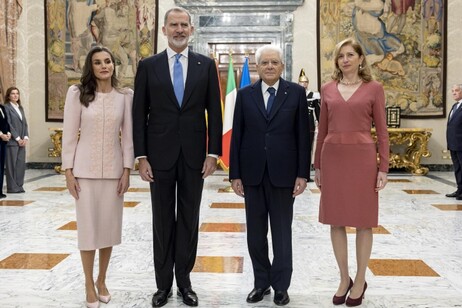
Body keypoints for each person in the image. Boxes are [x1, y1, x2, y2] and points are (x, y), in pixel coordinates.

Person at [132, 7, 222, 308]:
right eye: (174, 25)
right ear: (164, 30)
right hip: (158, 157)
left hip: (195, 157)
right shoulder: (148, 65)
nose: (179, 29)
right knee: (161, 220)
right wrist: (141, 156)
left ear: (192, 30)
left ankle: (184, 282)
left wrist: (213, 153)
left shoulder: (206, 65)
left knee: (188, 219)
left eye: (184, 25)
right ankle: (162, 286)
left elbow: (215, 111)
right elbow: (138, 114)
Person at [229, 45, 310, 306]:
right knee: (255, 234)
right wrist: (235, 174)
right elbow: (237, 136)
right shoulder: (245, 95)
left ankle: (281, 286)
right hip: (252, 174)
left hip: (284, 175)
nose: (270, 66)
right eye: (265, 62)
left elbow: (303, 136)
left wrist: (302, 174)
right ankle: (261, 283)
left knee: (281, 234)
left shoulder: (296, 93)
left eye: (275, 62)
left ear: (282, 66)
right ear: (257, 66)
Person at [313, 38, 389, 307]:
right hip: (332, 158)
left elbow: (382, 131)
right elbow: (321, 131)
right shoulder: (327, 89)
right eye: (340, 56)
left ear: (360, 59)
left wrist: (383, 167)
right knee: (336, 220)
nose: (345, 60)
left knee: (363, 221)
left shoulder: (374, 89)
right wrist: (317, 166)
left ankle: (360, 279)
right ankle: (343, 278)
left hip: (363, 160)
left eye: (350, 55)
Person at [61, 46, 134, 308]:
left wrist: (127, 170)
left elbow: (128, 138)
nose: (104, 66)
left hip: (114, 173)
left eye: (108, 61)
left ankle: (102, 279)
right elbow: (69, 135)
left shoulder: (125, 96)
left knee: (109, 229)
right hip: (84, 173)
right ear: (90, 67)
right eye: (98, 62)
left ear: (114, 65)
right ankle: (87, 282)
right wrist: (68, 172)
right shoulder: (78, 94)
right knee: (89, 231)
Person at [4, 87, 29, 194]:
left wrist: (25, 137)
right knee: (11, 166)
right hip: (12, 142)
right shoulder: (6, 107)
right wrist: (18, 138)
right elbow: (9, 124)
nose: (15, 95)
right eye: (13, 93)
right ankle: (12, 187)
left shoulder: (21, 108)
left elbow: (25, 124)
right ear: (8, 96)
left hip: (22, 142)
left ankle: (19, 186)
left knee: (20, 165)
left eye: (17, 93)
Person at [298, 68, 320, 180]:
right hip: (297, 126)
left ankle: (306, 173)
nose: (304, 84)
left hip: (309, 125)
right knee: (297, 149)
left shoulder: (313, 95)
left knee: (308, 149)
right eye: (302, 82)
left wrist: (321, 123)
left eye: (306, 82)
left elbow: (318, 111)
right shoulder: (295, 93)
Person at [445, 84, 462, 199]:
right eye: (452, 91)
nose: (454, 93)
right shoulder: (455, 106)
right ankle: (459, 189)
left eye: (456, 90)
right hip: (453, 143)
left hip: (461, 144)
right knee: (457, 167)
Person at [0, 102, 11, 198]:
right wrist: (0, 134)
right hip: (0, 137)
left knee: (1, 166)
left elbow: (5, 122)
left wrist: (8, 132)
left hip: (3, 141)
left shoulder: (2, 107)